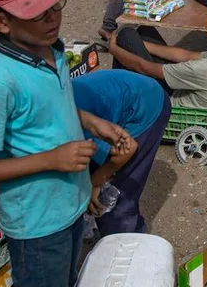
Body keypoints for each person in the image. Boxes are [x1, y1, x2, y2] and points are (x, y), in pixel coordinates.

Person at [0, 0, 131, 287]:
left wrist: (90, 121)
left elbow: (48, 105)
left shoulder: (51, 50)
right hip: (37, 225)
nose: (53, 19)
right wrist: (51, 159)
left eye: (56, 5)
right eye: (38, 13)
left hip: (71, 205)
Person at [71, 70, 170, 235]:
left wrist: (95, 182)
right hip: (126, 91)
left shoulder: (71, 126)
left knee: (112, 198)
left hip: (146, 105)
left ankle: (128, 242)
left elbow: (127, 149)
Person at [108, 10, 207, 117]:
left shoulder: (202, 69)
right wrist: (142, 45)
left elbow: (144, 67)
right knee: (145, 32)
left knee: (126, 35)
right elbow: (185, 55)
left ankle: (117, 107)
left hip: (170, 104)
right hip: (204, 92)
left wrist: (114, 49)